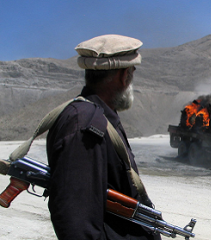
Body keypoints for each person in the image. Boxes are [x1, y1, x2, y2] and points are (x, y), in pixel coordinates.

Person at [46, 34, 161, 240]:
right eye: (132, 72)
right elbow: (77, 222)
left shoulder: (99, 117)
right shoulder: (86, 124)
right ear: (124, 75)